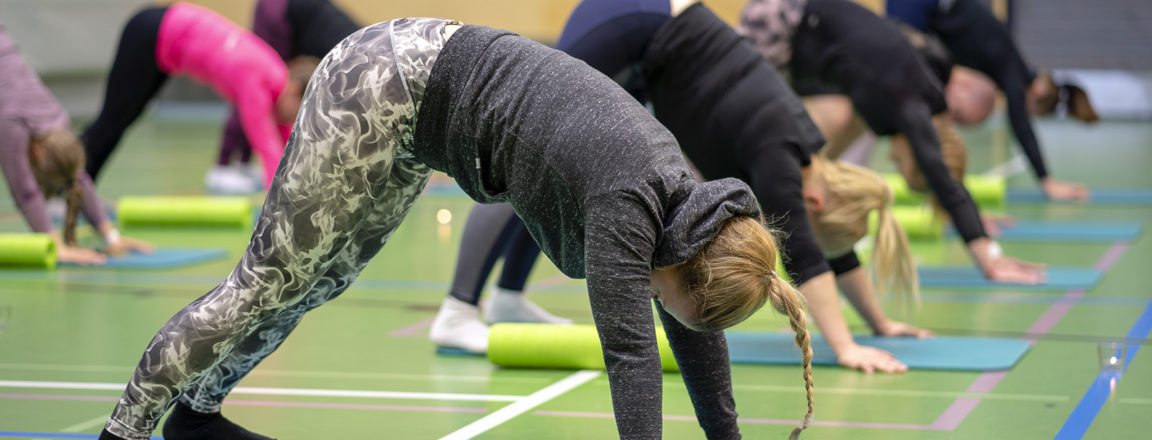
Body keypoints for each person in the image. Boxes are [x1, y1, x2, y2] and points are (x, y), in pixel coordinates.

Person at [97, 18, 814, 440]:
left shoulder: (692, 221)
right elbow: (632, 358)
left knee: (322, 280)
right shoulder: (631, 204)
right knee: (268, 281)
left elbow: (696, 332)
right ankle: (123, 431)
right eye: (682, 307)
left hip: (425, 110)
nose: (681, 324)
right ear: (685, 266)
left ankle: (194, 418)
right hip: (385, 85)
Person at [431, 0, 927, 376]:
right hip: (636, 17)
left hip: (657, 50)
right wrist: (845, 347)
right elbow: (807, 250)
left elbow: (829, 251)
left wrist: (878, 324)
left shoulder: (807, 151)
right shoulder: (781, 153)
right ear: (817, 201)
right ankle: (457, 308)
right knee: (527, 148)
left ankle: (509, 298)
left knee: (560, 173)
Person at [741, 0, 1046, 284]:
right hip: (784, 17)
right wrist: (989, 257)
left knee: (822, 131)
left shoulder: (906, 100)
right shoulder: (911, 103)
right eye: (902, 164)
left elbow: (943, 178)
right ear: (917, 152)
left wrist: (973, 215)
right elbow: (943, 179)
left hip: (798, 41)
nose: (891, 161)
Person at [82, 2, 319, 190]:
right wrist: (280, 211)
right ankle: (68, 187)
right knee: (111, 122)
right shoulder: (257, 82)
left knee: (123, 119)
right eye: (297, 113)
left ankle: (83, 190)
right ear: (294, 91)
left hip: (165, 45)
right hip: (151, 30)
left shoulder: (278, 78)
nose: (291, 121)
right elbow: (268, 148)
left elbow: (288, 144)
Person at [887, 0, 1098, 201]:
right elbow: (1021, 126)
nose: (1021, 110)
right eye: (1029, 109)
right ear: (1038, 92)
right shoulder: (1013, 72)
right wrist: (1047, 181)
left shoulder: (1007, 59)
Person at [0, 25, 152, 265]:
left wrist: (111, 236)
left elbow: (76, 177)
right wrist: (55, 244)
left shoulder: (57, 121)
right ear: (38, 154)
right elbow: (25, 189)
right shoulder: (13, 121)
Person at [208, 0, 362, 193]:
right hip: (279, 14)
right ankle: (226, 164)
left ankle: (242, 164)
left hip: (293, 20)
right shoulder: (360, 62)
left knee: (268, 102)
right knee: (255, 96)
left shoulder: (358, 54)